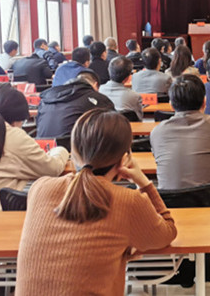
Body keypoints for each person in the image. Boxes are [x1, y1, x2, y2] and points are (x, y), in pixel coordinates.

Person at [16, 109, 177, 295]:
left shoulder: (39, 188)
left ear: (74, 153)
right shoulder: (128, 201)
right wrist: (144, 183)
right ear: (124, 159)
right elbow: (168, 232)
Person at [0, 94, 69, 211]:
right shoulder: (13, 137)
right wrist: (61, 150)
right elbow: (53, 168)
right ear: (16, 120)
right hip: (3, 215)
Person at [37, 71, 115, 143]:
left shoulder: (47, 99)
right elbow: (114, 122)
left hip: (43, 147)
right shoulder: (96, 98)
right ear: (95, 85)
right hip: (74, 148)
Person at [99, 56, 143, 121]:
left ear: (108, 71)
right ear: (128, 77)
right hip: (126, 126)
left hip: (104, 126)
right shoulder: (135, 96)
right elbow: (139, 119)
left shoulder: (99, 91)